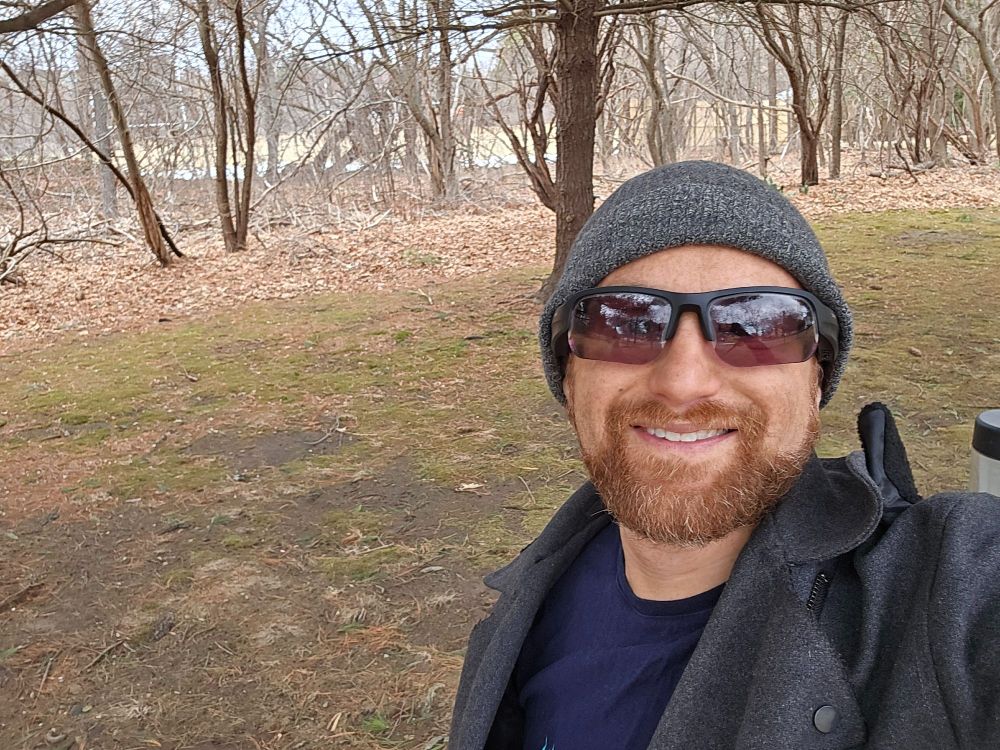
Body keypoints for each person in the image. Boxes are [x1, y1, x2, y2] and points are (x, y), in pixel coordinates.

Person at [448, 161, 1000, 750]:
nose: (684, 384)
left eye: (755, 324)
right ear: (569, 377)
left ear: (817, 378)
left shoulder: (950, 586)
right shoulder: (527, 603)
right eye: (626, 323)